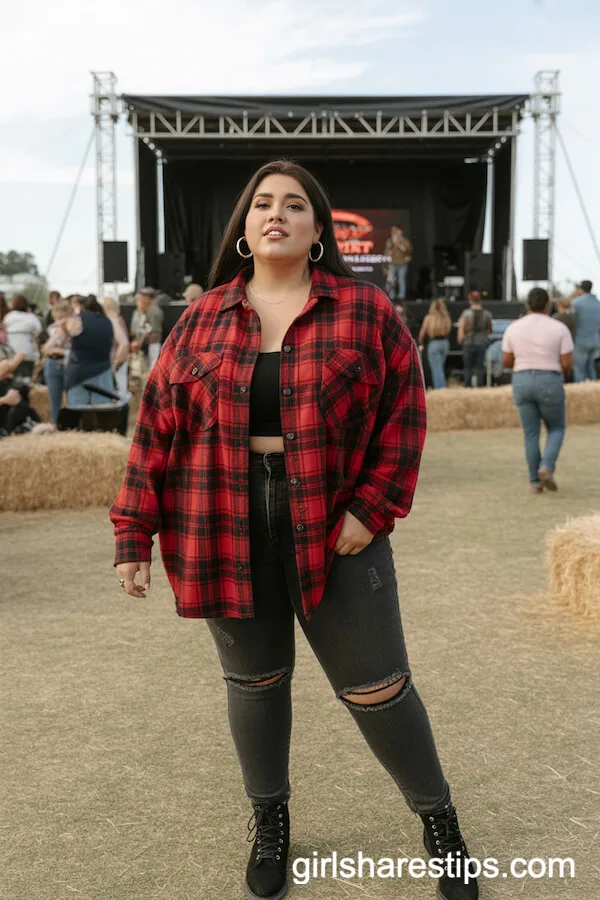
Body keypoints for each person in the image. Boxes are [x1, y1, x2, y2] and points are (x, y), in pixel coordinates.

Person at [110, 160, 478, 900]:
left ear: (317, 230)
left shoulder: (366, 310)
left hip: (337, 527)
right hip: (218, 519)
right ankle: (270, 822)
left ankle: (440, 822)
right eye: (262, 204)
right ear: (244, 230)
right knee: (254, 682)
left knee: (380, 689)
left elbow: (404, 415)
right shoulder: (203, 317)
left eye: (295, 205)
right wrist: (133, 534)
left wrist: (371, 509)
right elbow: (156, 430)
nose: (276, 213)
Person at [502, 287, 573, 493]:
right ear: (548, 304)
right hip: (549, 378)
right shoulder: (559, 328)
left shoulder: (514, 328)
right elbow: (567, 363)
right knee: (557, 428)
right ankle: (547, 466)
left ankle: (534, 480)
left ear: (527, 305)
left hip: (522, 379)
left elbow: (506, 361)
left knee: (530, 433)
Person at [64, 295, 115, 405]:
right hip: (103, 372)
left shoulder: (77, 319)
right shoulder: (107, 321)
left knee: (78, 414)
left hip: (78, 373)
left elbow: (66, 334)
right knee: (102, 413)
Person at [41, 299, 72, 423]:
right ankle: (56, 423)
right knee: (55, 399)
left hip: (69, 364)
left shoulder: (75, 329)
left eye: (62, 318)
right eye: (57, 318)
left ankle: (72, 425)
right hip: (52, 363)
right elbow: (46, 348)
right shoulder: (51, 329)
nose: (59, 321)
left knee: (72, 397)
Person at [457, 292, 492, 388]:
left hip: (468, 342)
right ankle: (480, 386)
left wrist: (461, 339)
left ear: (470, 300)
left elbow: (461, 328)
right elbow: (489, 329)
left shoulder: (466, 313)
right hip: (481, 342)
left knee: (468, 366)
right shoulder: (487, 313)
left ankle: (467, 386)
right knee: (480, 366)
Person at [418, 299, 452, 390]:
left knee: (436, 368)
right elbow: (449, 330)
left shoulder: (429, 318)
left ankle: (440, 388)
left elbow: (422, 333)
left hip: (434, 343)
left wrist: (420, 342)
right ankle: (441, 386)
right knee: (440, 366)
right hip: (445, 343)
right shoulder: (446, 318)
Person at [99, 296, 130, 396]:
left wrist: (116, 363)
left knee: (118, 392)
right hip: (119, 362)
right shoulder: (117, 319)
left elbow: (124, 343)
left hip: (116, 363)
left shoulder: (112, 320)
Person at [3, 295, 42, 371]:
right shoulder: (31, 317)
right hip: (27, 351)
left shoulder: (8, 317)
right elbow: (38, 331)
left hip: (10, 351)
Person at [571, 280, 600, 381]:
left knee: (579, 370)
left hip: (580, 340)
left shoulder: (576, 303)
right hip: (595, 340)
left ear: (581, 288)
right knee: (591, 368)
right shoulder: (598, 303)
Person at [130, 287, 164, 371]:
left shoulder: (153, 310)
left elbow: (156, 335)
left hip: (152, 348)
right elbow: (135, 331)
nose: (139, 301)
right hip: (144, 349)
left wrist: (144, 340)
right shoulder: (140, 311)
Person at [384, 225, 413, 301]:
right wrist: (393, 243)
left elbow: (407, 250)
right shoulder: (390, 241)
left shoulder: (405, 241)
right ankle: (391, 296)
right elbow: (388, 252)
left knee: (401, 280)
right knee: (391, 280)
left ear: (401, 232)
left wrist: (398, 242)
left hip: (402, 264)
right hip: (393, 263)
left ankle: (401, 296)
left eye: (398, 231)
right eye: (395, 232)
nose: (396, 233)